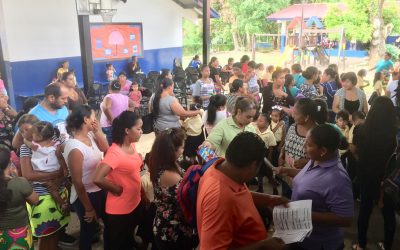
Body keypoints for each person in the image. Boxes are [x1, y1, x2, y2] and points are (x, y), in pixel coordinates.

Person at [197, 132, 287, 250]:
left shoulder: (222, 166)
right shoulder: (220, 199)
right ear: (253, 165)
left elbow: (238, 195)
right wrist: (263, 245)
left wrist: (269, 199)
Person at [276, 124, 354, 249]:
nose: (303, 146)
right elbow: (311, 177)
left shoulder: (337, 179)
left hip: (317, 243)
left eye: (308, 144)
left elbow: (345, 218)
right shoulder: (316, 160)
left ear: (323, 151)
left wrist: (302, 213)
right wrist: (287, 170)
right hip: (299, 234)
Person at [93, 111, 147, 250]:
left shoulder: (132, 145)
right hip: (120, 209)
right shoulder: (115, 153)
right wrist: (116, 189)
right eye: (139, 128)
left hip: (134, 201)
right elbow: (97, 178)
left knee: (128, 234)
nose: (142, 131)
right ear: (127, 130)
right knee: (118, 242)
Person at [17, 114, 70, 249]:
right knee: (45, 234)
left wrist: (59, 179)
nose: (25, 134)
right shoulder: (26, 147)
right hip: (42, 198)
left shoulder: (53, 141)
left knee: (56, 231)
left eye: (28, 129)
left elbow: (65, 165)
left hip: (59, 191)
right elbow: (29, 175)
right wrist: (56, 174)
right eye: (22, 131)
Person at [352, 97, 398, 250]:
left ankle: (361, 244)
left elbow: (355, 151)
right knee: (388, 212)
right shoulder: (395, 134)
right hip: (388, 179)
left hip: (366, 175)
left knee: (365, 209)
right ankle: (387, 244)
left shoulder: (360, 129)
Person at [63, 105, 109, 250]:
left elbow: (105, 149)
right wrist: (88, 208)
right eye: (94, 118)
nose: (96, 120)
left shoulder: (89, 135)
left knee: (107, 222)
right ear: (86, 119)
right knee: (88, 230)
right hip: (85, 196)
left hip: (99, 188)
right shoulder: (75, 148)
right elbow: (77, 182)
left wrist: (98, 131)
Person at [148, 128, 196, 249]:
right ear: (172, 151)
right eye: (182, 148)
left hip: (166, 222)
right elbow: (190, 196)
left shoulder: (164, 161)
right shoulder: (169, 175)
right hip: (172, 230)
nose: (183, 150)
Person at [279, 98, 322, 198]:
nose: (292, 115)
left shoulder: (318, 134)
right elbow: (286, 145)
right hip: (287, 177)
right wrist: (281, 156)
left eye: (296, 113)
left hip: (305, 182)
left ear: (306, 117)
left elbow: (323, 159)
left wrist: (307, 162)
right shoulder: (293, 126)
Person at [23, 121, 69, 213]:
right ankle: (64, 203)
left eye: (33, 133)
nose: (32, 135)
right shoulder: (56, 145)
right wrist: (63, 170)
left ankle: (62, 203)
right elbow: (60, 158)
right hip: (56, 169)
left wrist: (25, 138)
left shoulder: (36, 146)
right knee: (55, 188)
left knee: (51, 188)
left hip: (42, 173)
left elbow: (25, 141)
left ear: (40, 137)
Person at [0, 145, 39, 250]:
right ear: (10, 161)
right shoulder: (19, 183)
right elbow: (35, 200)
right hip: (19, 233)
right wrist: (16, 177)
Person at [100, 80, 135, 145]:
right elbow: (133, 105)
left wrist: (113, 121)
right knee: (117, 143)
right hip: (120, 124)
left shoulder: (109, 96)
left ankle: (110, 154)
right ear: (120, 88)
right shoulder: (125, 98)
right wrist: (126, 116)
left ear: (109, 88)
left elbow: (106, 108)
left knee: (111, 146)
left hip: (109, 126)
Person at [254, 113, 277, 193]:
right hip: (257, 154)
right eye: (258, 120)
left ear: (267, 124)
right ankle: (260, 188)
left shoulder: (269, 133)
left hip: (266, 155)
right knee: (259, 174)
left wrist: (269, 159)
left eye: (261, 121)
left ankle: (275, 189)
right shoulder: (254, 129)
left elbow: (271, 147)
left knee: (269, 175)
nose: (258, 122)